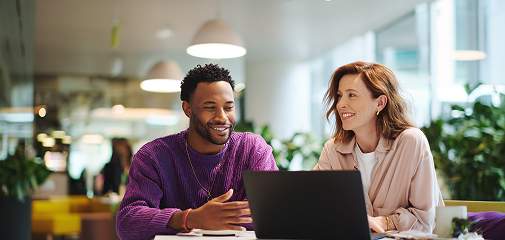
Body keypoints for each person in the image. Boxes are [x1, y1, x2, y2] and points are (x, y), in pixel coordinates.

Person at [116, 64, 278, 240]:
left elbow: (273, 213)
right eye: (210, 107)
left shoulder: (252, 149)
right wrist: (189, 218)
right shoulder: (154, 156)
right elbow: (128, 222)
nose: (222, 117)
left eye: (228, 107)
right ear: (188, 109)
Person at [313, 61, 443, 233]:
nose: (340, 104)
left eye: (351, 95)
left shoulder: (411, 141)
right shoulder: (333, 150)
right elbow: (312, 206)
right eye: (339, 95)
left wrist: (384, 222)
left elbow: (427, 220)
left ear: (380, 103)